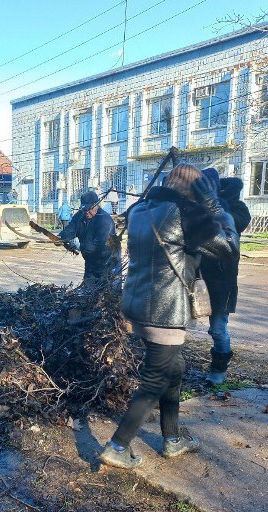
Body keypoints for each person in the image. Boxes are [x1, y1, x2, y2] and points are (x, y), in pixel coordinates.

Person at [99, 164, 238, 469]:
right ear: (197, 189)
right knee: (155, 379)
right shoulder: (188, 212)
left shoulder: (140, 209)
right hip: (165, 311)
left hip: (138, 304)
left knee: (174, 369)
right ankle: (117, 446)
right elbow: (229, 248)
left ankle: (172, 440)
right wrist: (215, 205)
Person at [199, 169, 252, 385]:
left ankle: (219, 369)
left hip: (222, 281)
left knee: (218, 328)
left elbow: (238, 223)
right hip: (197, 278)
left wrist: (217, 206)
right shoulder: (195, 208)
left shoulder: (234, 208)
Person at [59, 190, 117, 285]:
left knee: (105, 294)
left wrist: (78, 246)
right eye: (84, 208)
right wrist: (62, 238)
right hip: (90, 262)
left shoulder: (105, 221)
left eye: (89, 208)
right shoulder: (80, 216)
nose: (86, 212)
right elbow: (70, 230)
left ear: (96, 205)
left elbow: (97, 246)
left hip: (106, 264)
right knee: (88, 292)